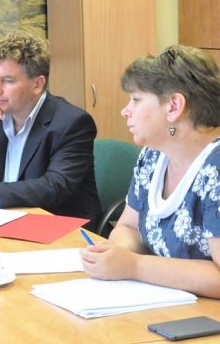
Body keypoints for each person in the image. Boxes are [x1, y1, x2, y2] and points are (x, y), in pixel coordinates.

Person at [81, 46, 220, 299]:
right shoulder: (154, 154)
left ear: (174, 106)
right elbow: (128, 227)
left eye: (136, 99)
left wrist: (134, 266)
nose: (126, 110)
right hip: (162, 302)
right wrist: (115, 255)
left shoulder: (216, 167)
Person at [0, 32, 101, 224]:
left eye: (8, 81)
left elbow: (54, 187)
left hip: (59, 229)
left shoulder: (72, 122)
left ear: (37, 84)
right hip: (2, 224)